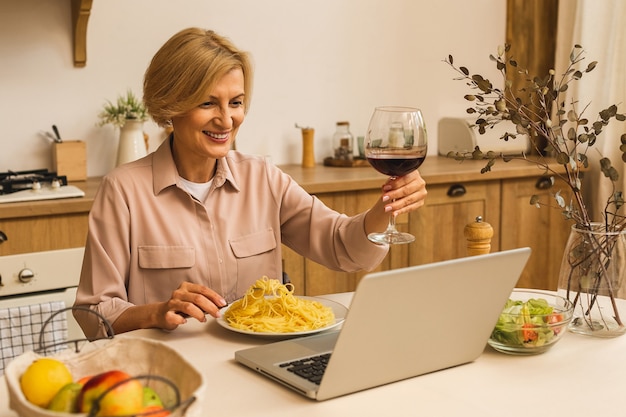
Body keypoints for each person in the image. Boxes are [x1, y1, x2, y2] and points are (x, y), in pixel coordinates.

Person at [73, 27, 427, 339]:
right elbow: (93, 314)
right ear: (172, 104)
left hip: (260, 365)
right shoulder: (123, 191)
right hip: (173, 375)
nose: (226, 119)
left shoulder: (263, 178)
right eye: (208, 102)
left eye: (236, 102)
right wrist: (156, 312)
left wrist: (387, 208)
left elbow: (344, 248)